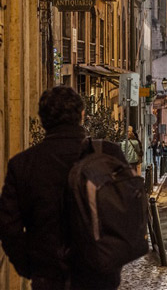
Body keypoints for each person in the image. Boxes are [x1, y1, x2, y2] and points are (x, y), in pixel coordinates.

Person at [0, 86, 129, 290]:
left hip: (49, 278)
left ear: (42, 121)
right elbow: (127, 214)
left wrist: (31, 267)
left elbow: (8, 227)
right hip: (99, 278)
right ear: (82, 116)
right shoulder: (109, 155)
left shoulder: (23, 164)